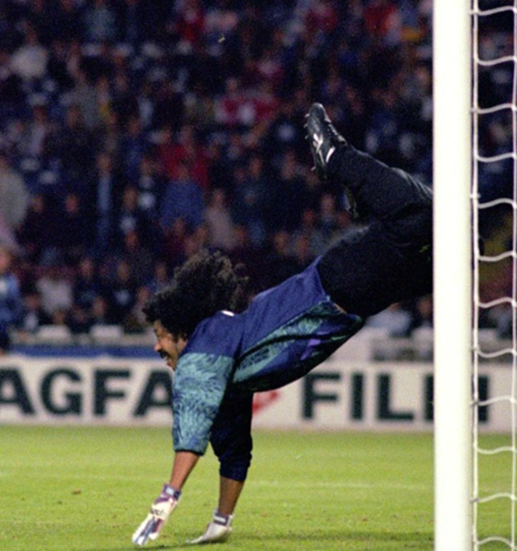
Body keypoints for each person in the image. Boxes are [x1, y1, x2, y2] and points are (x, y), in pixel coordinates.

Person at [131, 103, 433, 546]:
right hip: (350, 305)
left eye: (160, 336)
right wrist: (220, 521)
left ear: (181, 330)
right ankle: (373, 200)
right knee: (442, 244)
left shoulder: (204, 348)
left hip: (335, 285)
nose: (157, 347)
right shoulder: (226, 374)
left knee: (423, 217)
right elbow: (234, 452)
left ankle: (336, 157)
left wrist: (166, 500)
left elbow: (191, 430)